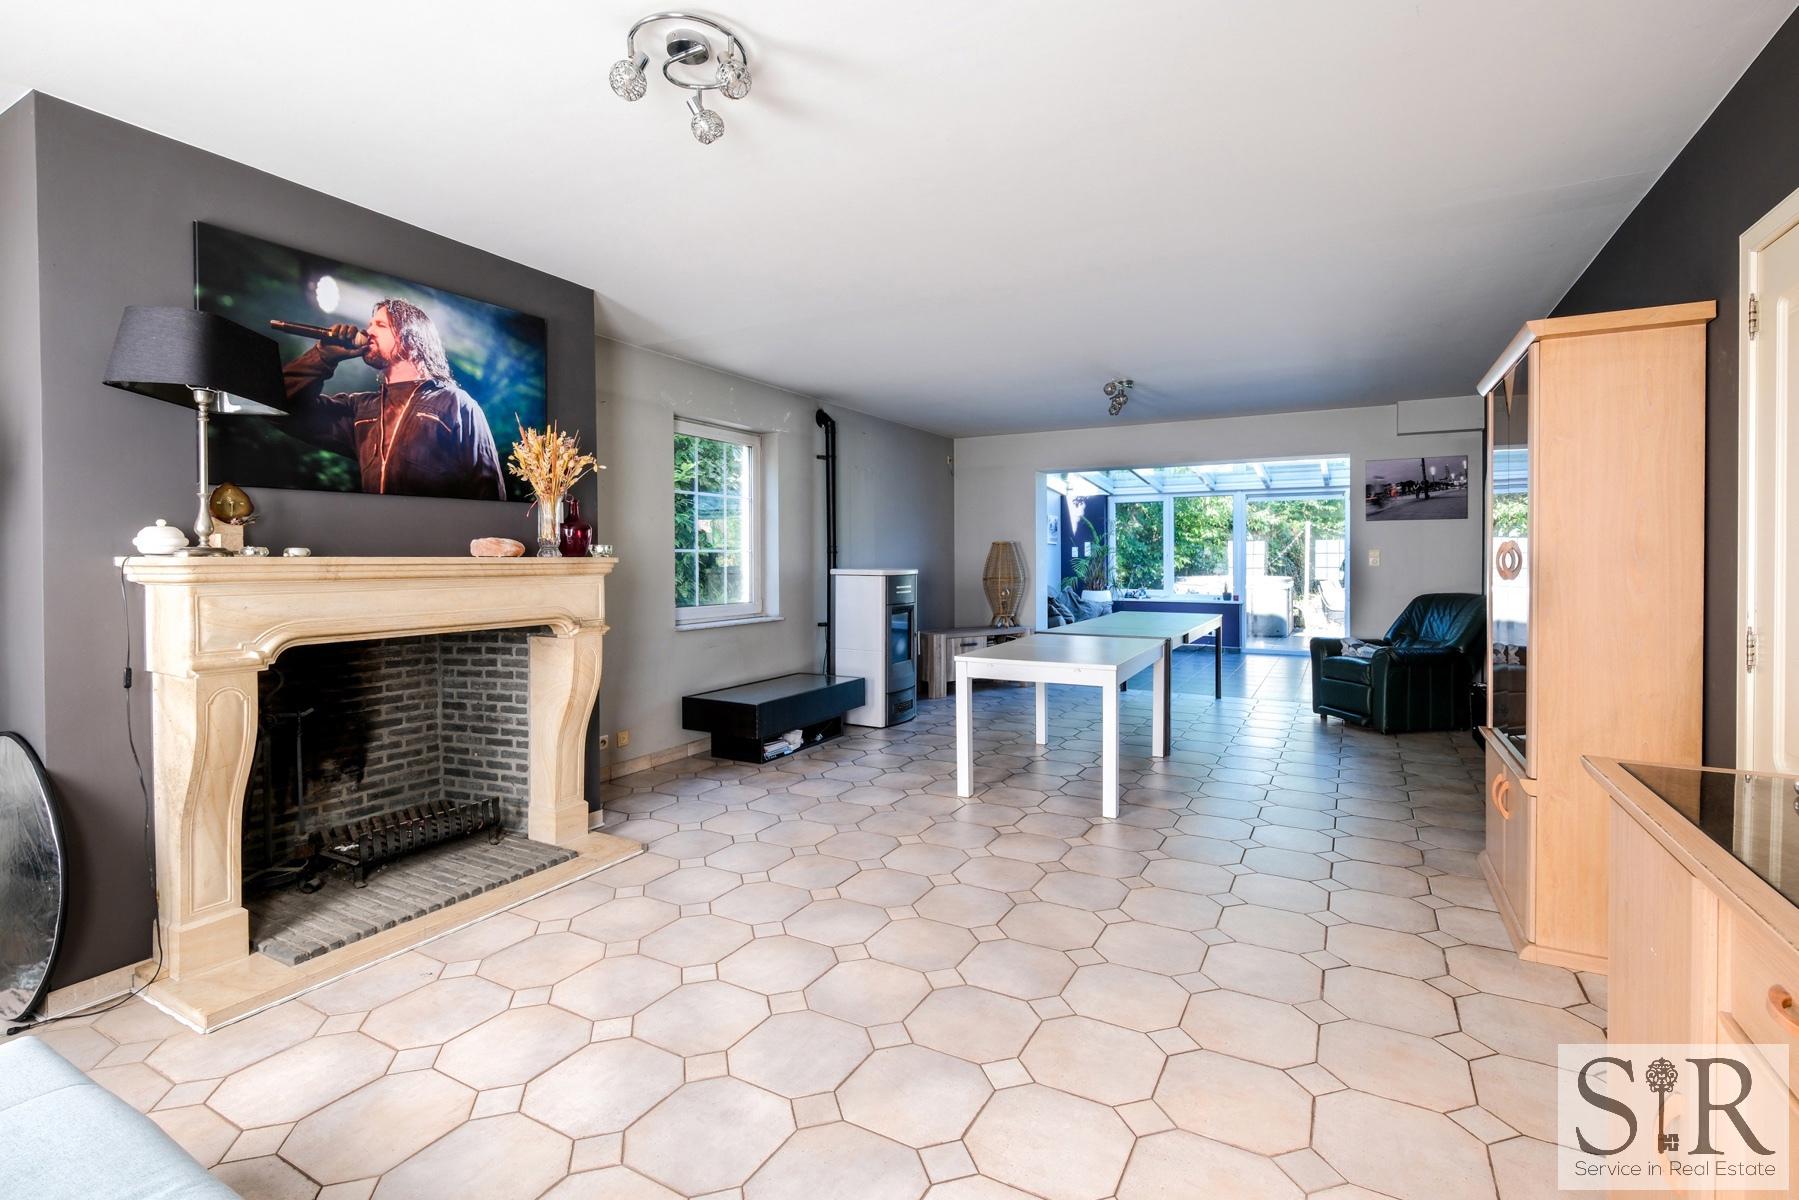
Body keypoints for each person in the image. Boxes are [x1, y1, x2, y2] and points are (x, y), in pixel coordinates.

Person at [282, 299, 506, 499]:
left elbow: (488, 489)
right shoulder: (361, 409)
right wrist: (322, 357)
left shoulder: (455, 403)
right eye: (370, 325)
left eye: (380, 325)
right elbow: (279, 406)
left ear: (412, 337)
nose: (369, 331)